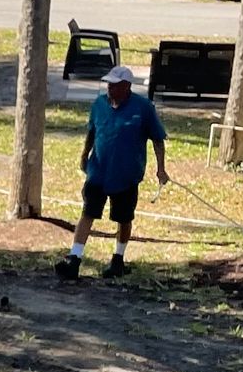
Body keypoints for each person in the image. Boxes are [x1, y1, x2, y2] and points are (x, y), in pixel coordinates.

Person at [55, 63, 167, 280]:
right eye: (108, 84)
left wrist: (161, 169)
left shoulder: (143, 108)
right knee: (88, 212)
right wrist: (84, 154)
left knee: (123, 218)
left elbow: (158, 139)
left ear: (126, 86)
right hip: (98, 170)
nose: (109, 88)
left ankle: (118, 259)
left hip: (126, 174)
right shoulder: (99, 105)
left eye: (115, 85)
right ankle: (74, 258)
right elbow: (92, 131)